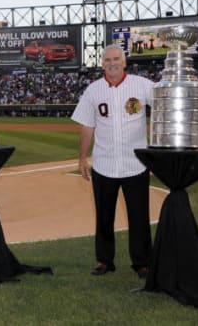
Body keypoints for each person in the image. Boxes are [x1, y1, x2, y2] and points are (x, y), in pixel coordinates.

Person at [71, 44, 154, 278]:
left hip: (135, 163)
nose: (112, 63)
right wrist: (82, 158)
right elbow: (87, 125)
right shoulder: (93, 90)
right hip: (104, 163)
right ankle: (105, 260)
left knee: (139, 216)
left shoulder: (142, 85)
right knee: (104, 215)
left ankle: (142, 262)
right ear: (102, 64)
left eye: (116, 59)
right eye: (107, 60)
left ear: (124, 62)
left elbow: (163, 106)